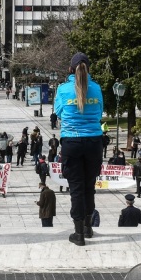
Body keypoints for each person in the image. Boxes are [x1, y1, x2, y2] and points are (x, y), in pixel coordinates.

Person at [54, 52, 104, 246]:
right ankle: (88, 227)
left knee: (76, 188)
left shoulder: (63, 89)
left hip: (72, 142)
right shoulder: (96, 88)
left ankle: (78, 233)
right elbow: (99, 111)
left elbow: (58, 112)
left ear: (70, 69)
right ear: (88, 69)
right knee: (89, 186)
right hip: (94, 141)